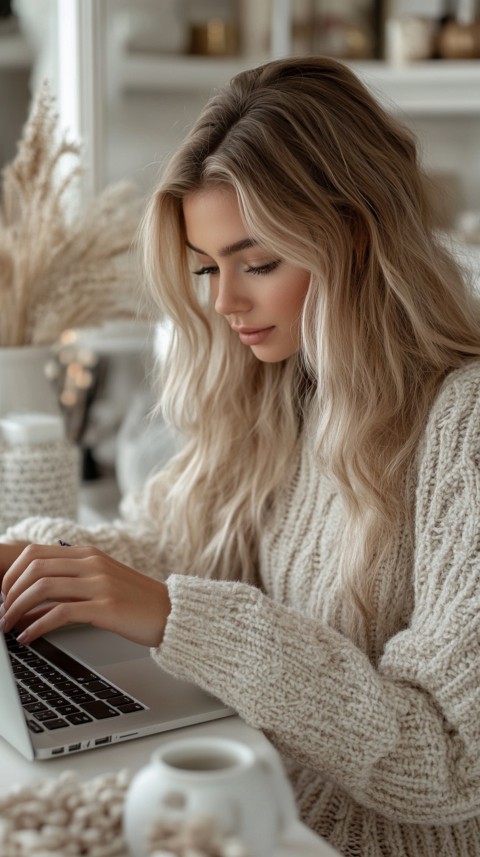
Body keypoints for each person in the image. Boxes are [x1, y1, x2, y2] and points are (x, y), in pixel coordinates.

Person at [1, 56, 480, 856]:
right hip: (252, 813)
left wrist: (175, 615)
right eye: (207, 267)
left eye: (257, 264)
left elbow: (447, 760)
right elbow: (176, 543)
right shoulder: (282, 386)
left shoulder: (463, 424)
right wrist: (42, 558)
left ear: (355, 238)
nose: (224, 302)